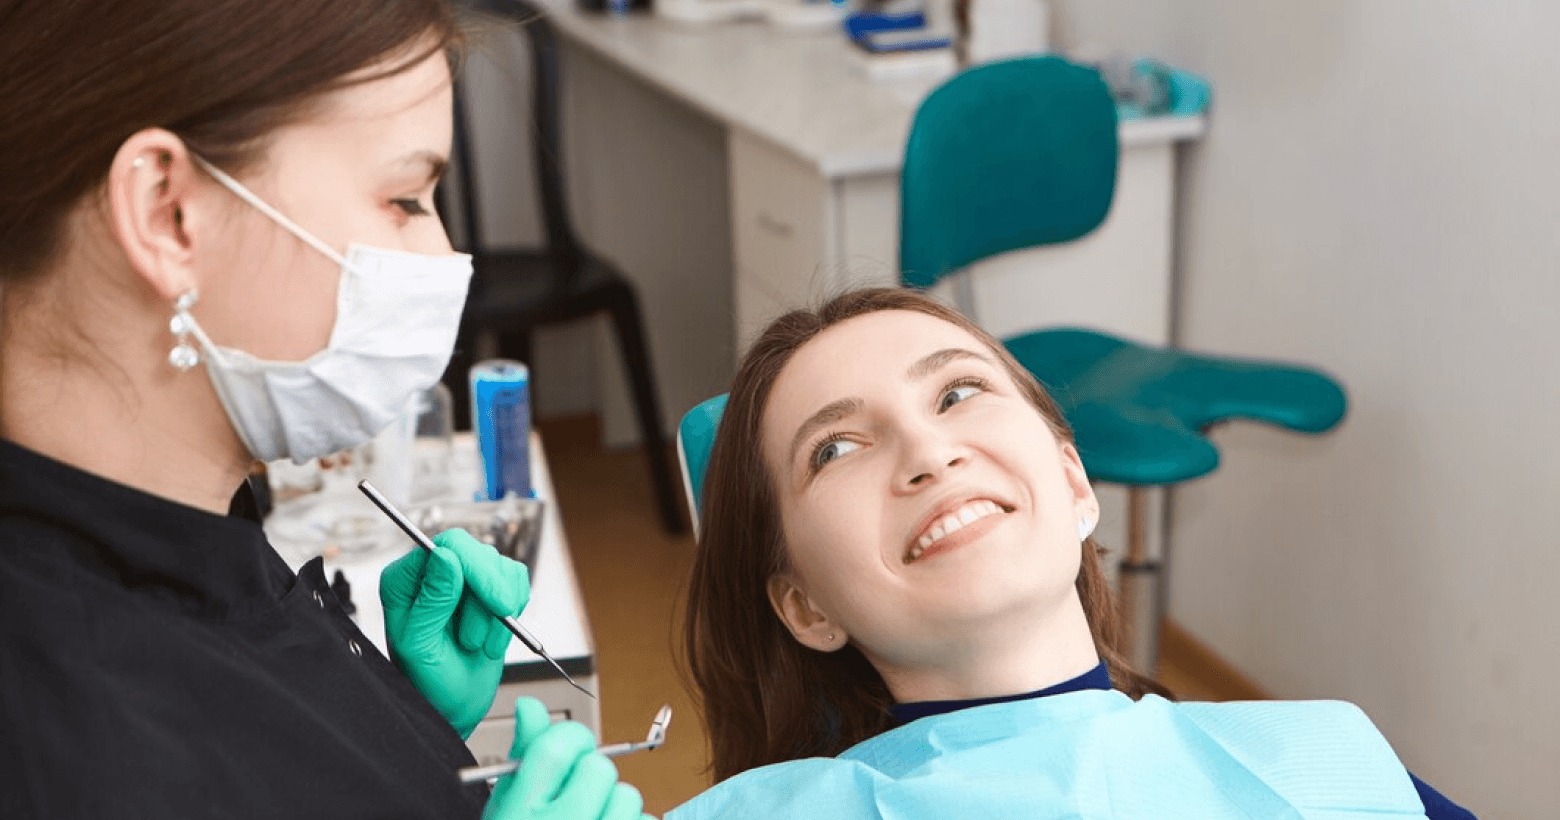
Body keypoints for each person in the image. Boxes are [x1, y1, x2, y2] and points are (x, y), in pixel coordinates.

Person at [0, 2, 644, 817]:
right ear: (167, 213)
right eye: (406, 199)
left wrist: (399, 727)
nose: (445, 258)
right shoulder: (69, 739)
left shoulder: (186, 519)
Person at [667, 288, 1475, 819]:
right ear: (805, 607)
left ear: (1073, 482)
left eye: (956, 393)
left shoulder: (1322, 766)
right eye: (836, 449)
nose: (928, 451)